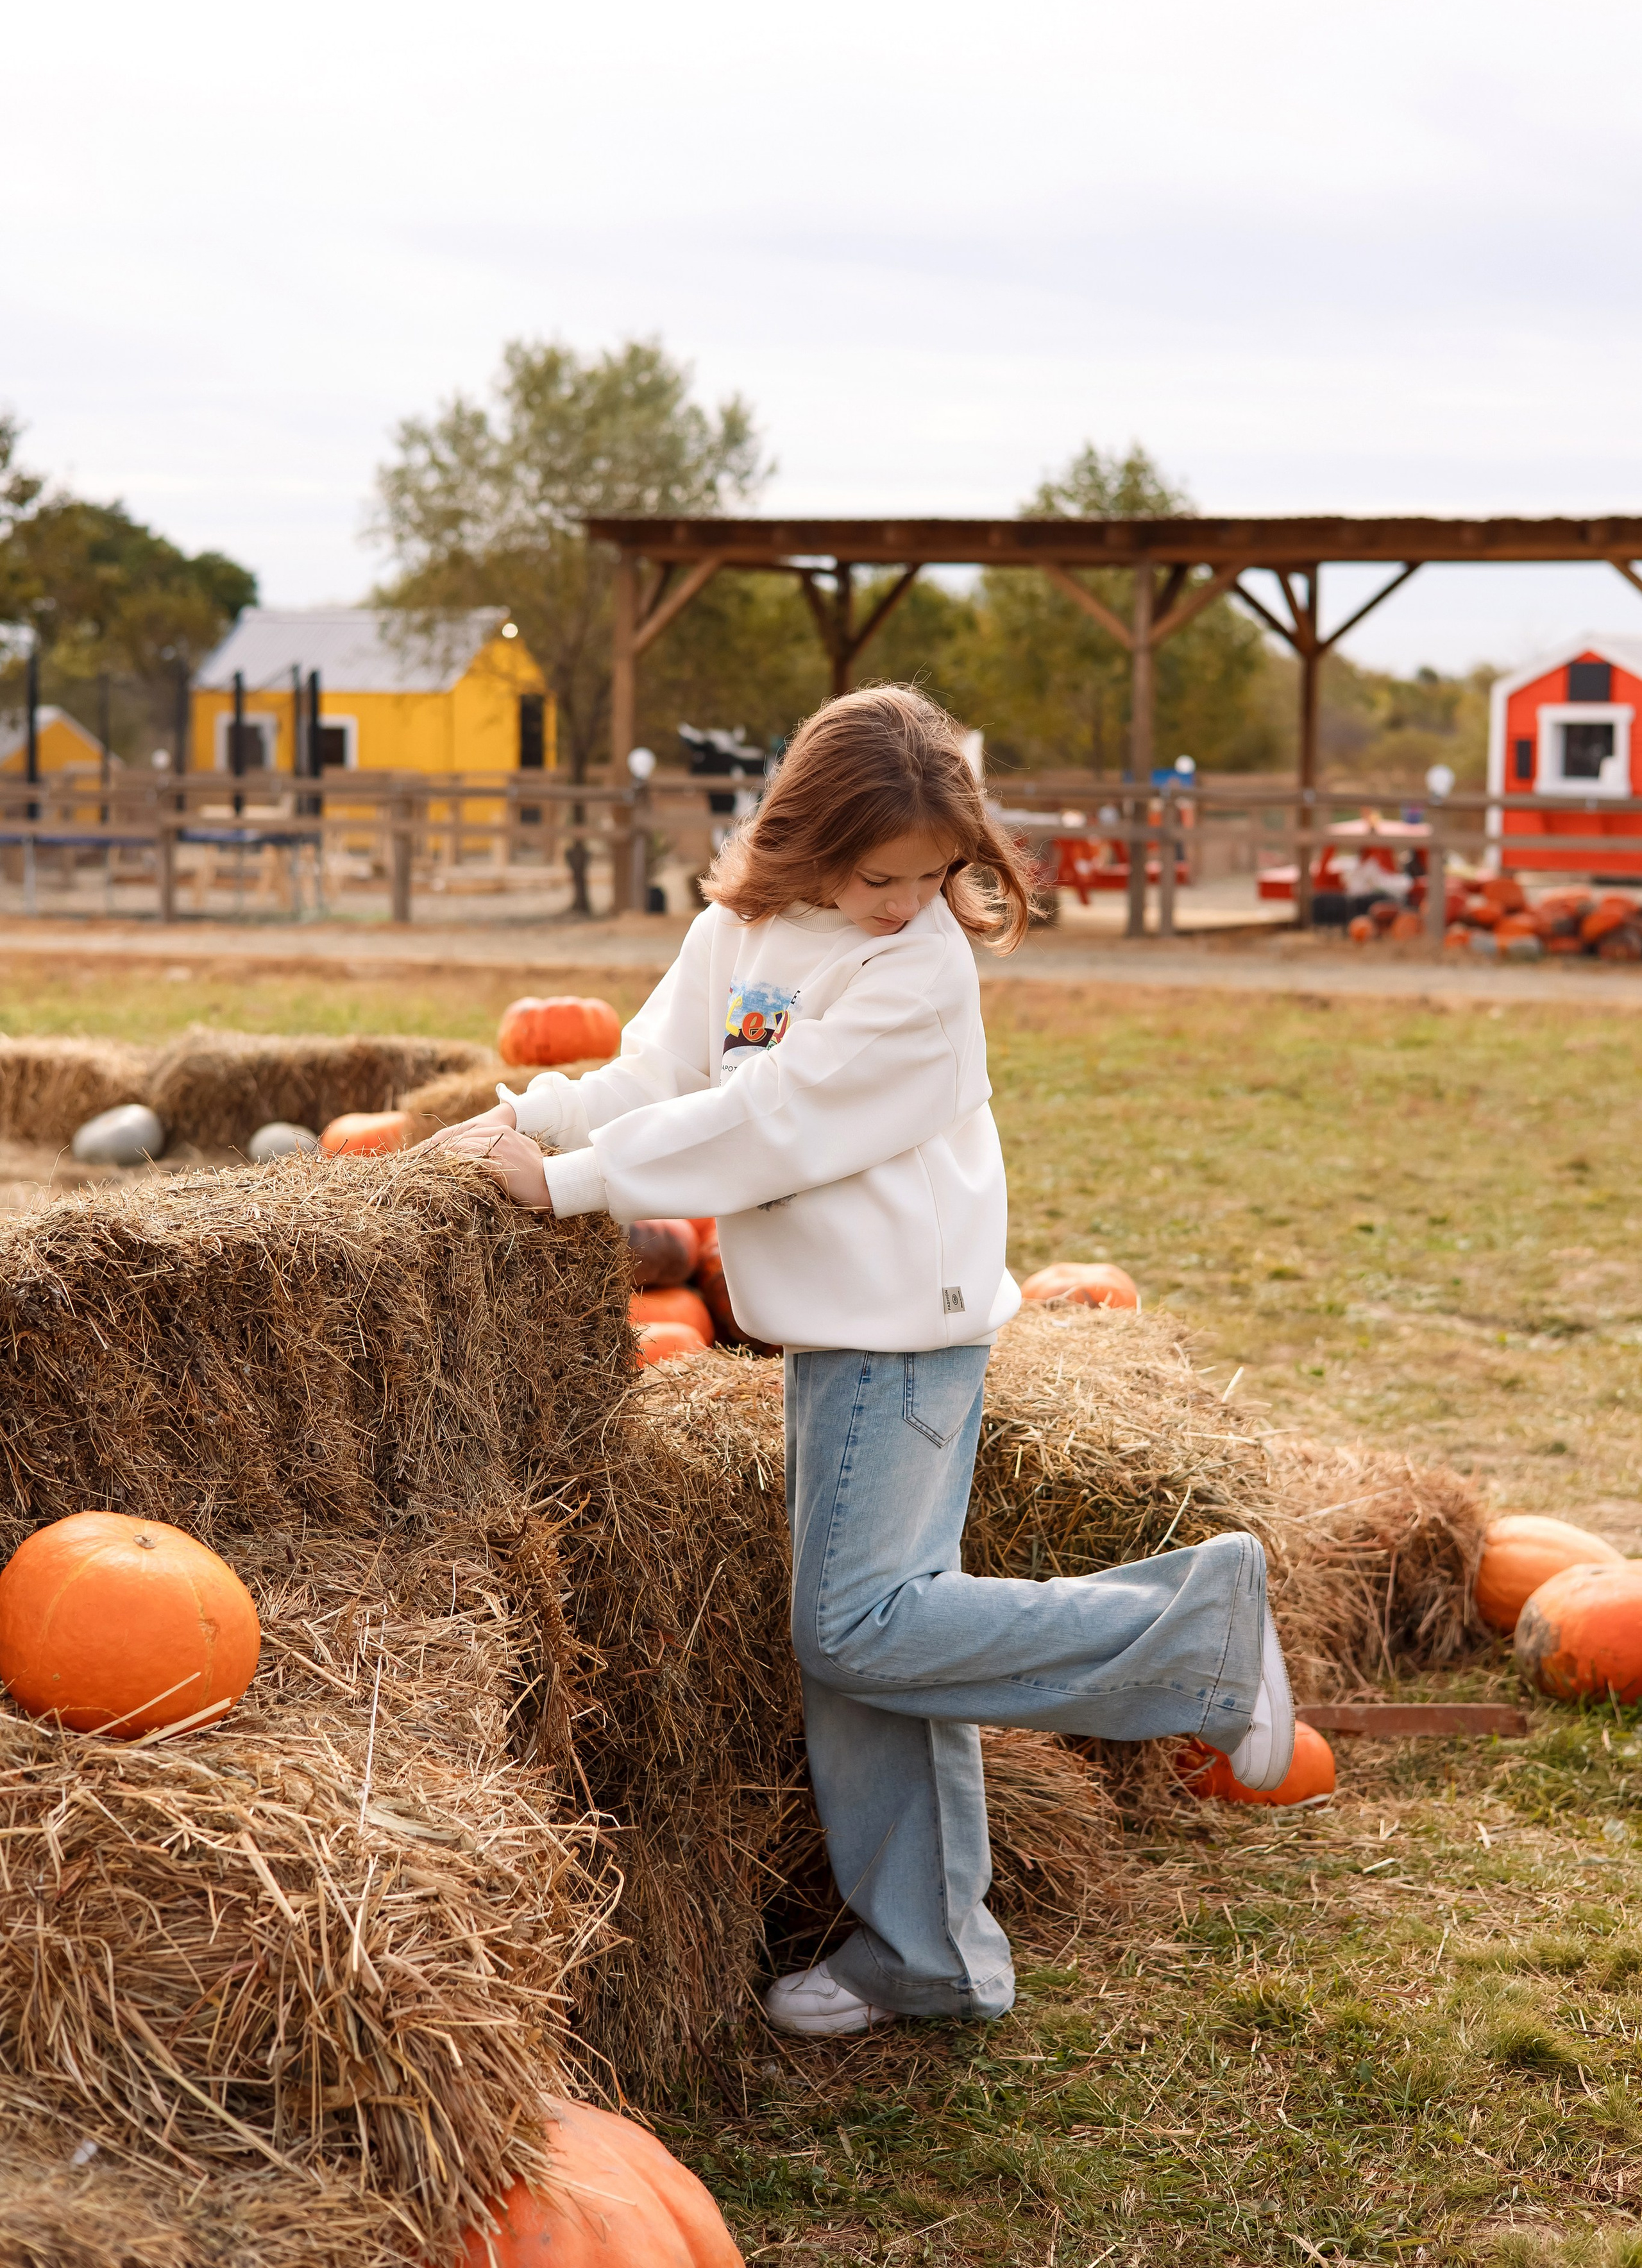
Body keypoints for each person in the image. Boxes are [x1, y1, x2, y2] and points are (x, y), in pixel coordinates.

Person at [430, 686, 1294, 2036]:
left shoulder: (921, 976)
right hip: (834, 1332)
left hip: (905, 1333)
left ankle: (1201, 1630)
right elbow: (657, 1075)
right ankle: (927, 1954)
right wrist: (521, 1122)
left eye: (935, 875)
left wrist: (573, 1184)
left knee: (855, 1628)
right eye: (881, 876)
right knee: (869, 1659)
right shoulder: (738, 932)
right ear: (808, 838)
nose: (907, 903)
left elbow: (770, 1124)